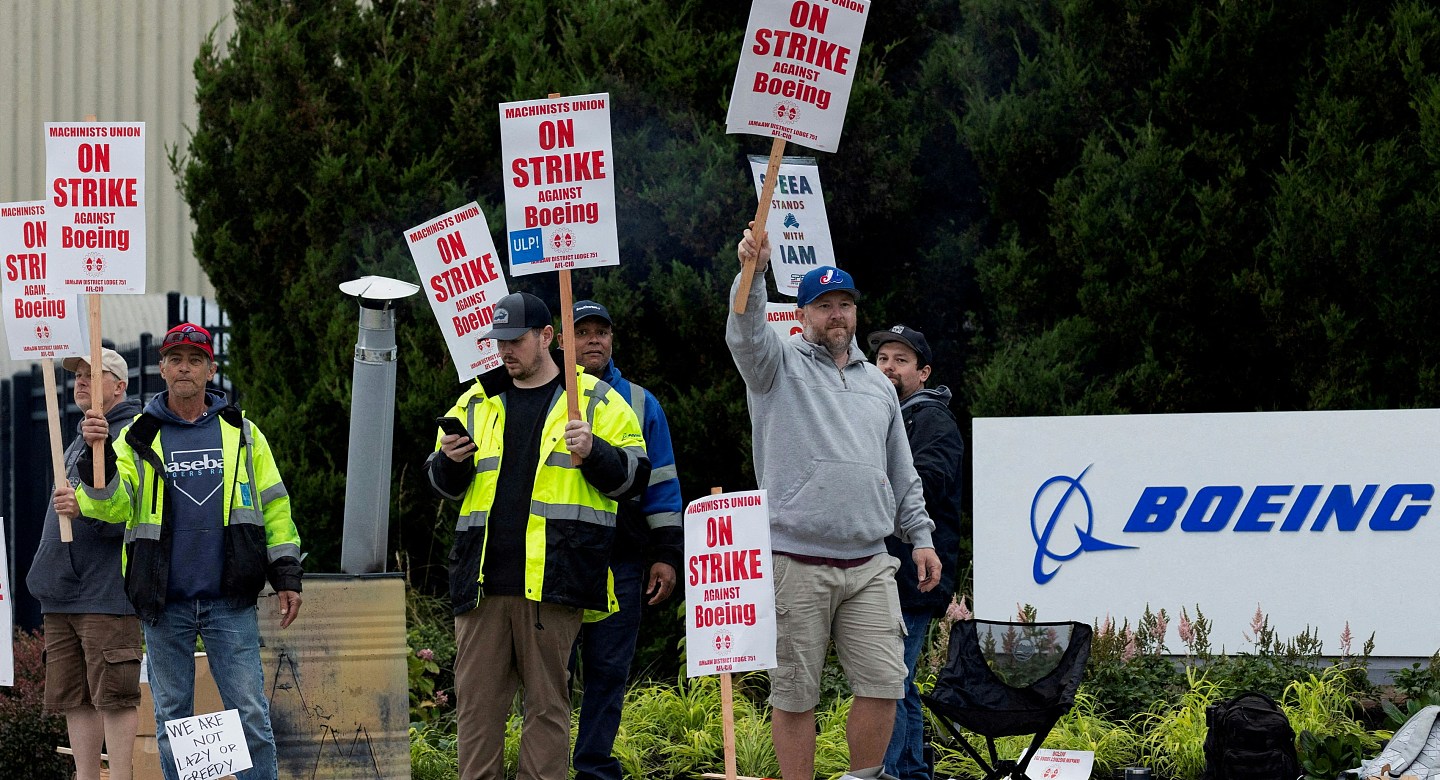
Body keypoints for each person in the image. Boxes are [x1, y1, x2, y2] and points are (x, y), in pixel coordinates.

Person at [727, 228, 942, 780]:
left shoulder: (879, 386)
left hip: (871, 561)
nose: (837, 314)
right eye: (824, 305)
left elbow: (901, 469)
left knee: (885, 682)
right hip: (795, 559)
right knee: (796, 692)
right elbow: (746, 333)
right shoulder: (775, 367)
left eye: (845, 304)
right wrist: (752, 272)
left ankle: (861, 779)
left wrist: (920, 537)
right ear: (801, 315)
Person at [424, 292, 650, 780]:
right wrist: (449, 460)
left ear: (546, 337)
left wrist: (596, 451)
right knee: (476, 717)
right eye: (498, 341)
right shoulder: (475, 400)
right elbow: (440, 483)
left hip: (554, 582)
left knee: (547, 713)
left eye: (515, 340)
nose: (504, 350)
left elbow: (635, 479)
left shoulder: (596, 399)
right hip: (482, 586)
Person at [70, 322, 303, 780]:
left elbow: (275, 506)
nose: (185, 368)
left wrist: (287, 575)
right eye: (176, 359)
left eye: (195, 360)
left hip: (229, 600)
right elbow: (113, 509)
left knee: (251, 717)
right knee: (174, 723)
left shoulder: (244, 433)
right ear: (162, 369)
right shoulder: (138, 435)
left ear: (210, 370)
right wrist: (94, 461)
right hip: (164, 603)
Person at [561, 299, 683, 780]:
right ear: (561, 341)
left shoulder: (640, 401)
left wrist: (667, 554)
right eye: (583, 331)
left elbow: (664, 484)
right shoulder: (541, 394)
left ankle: (592, 768)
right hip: (557, 563)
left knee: (609, 672)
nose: (594, 339)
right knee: (552, 676)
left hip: (622, 562)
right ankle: (546, 767)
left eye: (602, 331)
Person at [30, 348, 143, 780]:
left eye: (95, 375)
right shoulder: (80, 434)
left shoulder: (133, 434)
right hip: (62, 590)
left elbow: (136, 510)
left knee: (114, 694)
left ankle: (121, 777)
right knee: (72, 695)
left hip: (106, 590)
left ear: (120, 385)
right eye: (78, 376)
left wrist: (87, 508)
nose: (81, 382)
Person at [869, 325, 965, 780]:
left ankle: (900, 774)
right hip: (885, 573)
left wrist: (866, 490)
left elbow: (926, 483)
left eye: (900, 360)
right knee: (896, 684)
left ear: (923, 372)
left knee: (891, 683)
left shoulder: (932, 420)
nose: (888, 367)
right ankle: (907, 772)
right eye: (883, 358)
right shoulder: (877, 415)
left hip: (915, 576)